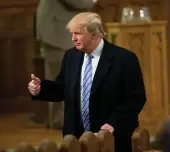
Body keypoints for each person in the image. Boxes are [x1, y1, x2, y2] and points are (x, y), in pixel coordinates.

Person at [29, 12, 146, 152]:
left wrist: (113, 124)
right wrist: (40, 88)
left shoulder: (124, 59)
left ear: (94, 35)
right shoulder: (71, 56)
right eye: (72, 34)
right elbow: (62, 88)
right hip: (76, 141)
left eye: (78, 33)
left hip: (113, 139)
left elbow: (136, 98)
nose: (73, 38)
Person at [35, 0, 105, 129]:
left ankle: (65, 118)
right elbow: (73, 1)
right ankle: (58, 120)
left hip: (59, 31)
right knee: (58, 77)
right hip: (55, 32)